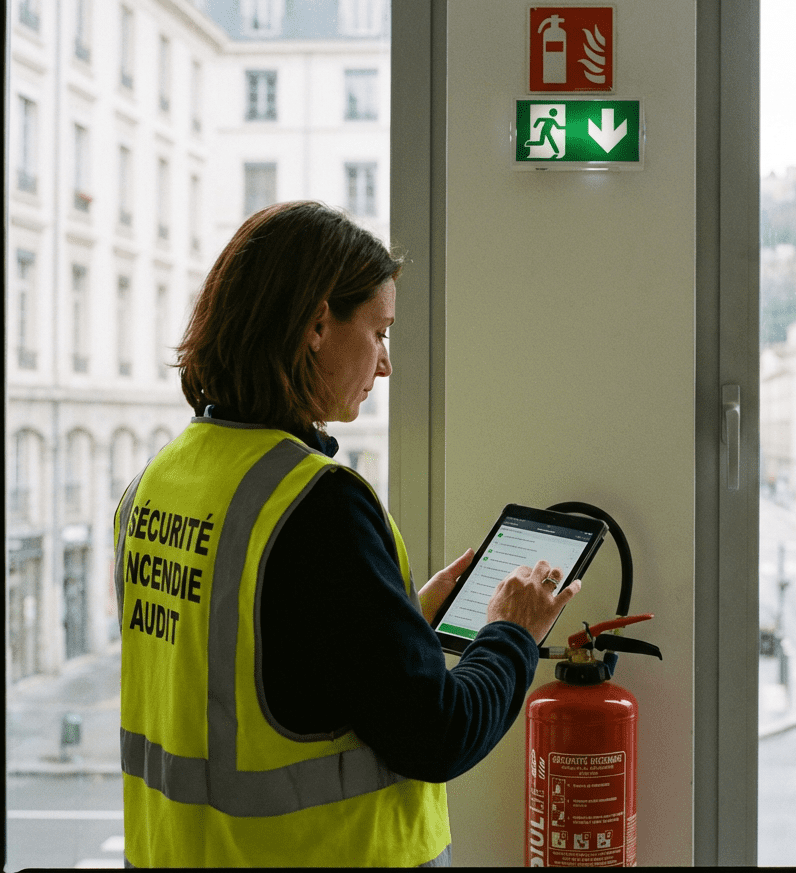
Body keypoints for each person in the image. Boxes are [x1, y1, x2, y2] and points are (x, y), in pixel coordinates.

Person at [113, 200, 581, 867]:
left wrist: (397, 623)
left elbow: (245, 674)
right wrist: (512, 632)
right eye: (380, 332)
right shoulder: (317, 503)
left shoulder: (157, 483)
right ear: (316, 324)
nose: (385, 364)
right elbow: (438, 734)